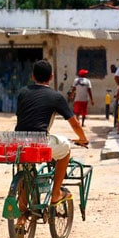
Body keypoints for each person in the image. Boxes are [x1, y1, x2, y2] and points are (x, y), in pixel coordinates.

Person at [15, 60, 89, 227]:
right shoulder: (56, 97)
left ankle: (21, 217)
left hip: (19, 141)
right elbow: (75, 124)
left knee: (25, 175)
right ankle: (56, 193)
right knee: (65, 149)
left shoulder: (22, 93)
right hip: (40, 142)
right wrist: (83, 139)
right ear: (51, 77)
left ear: (33, 76)